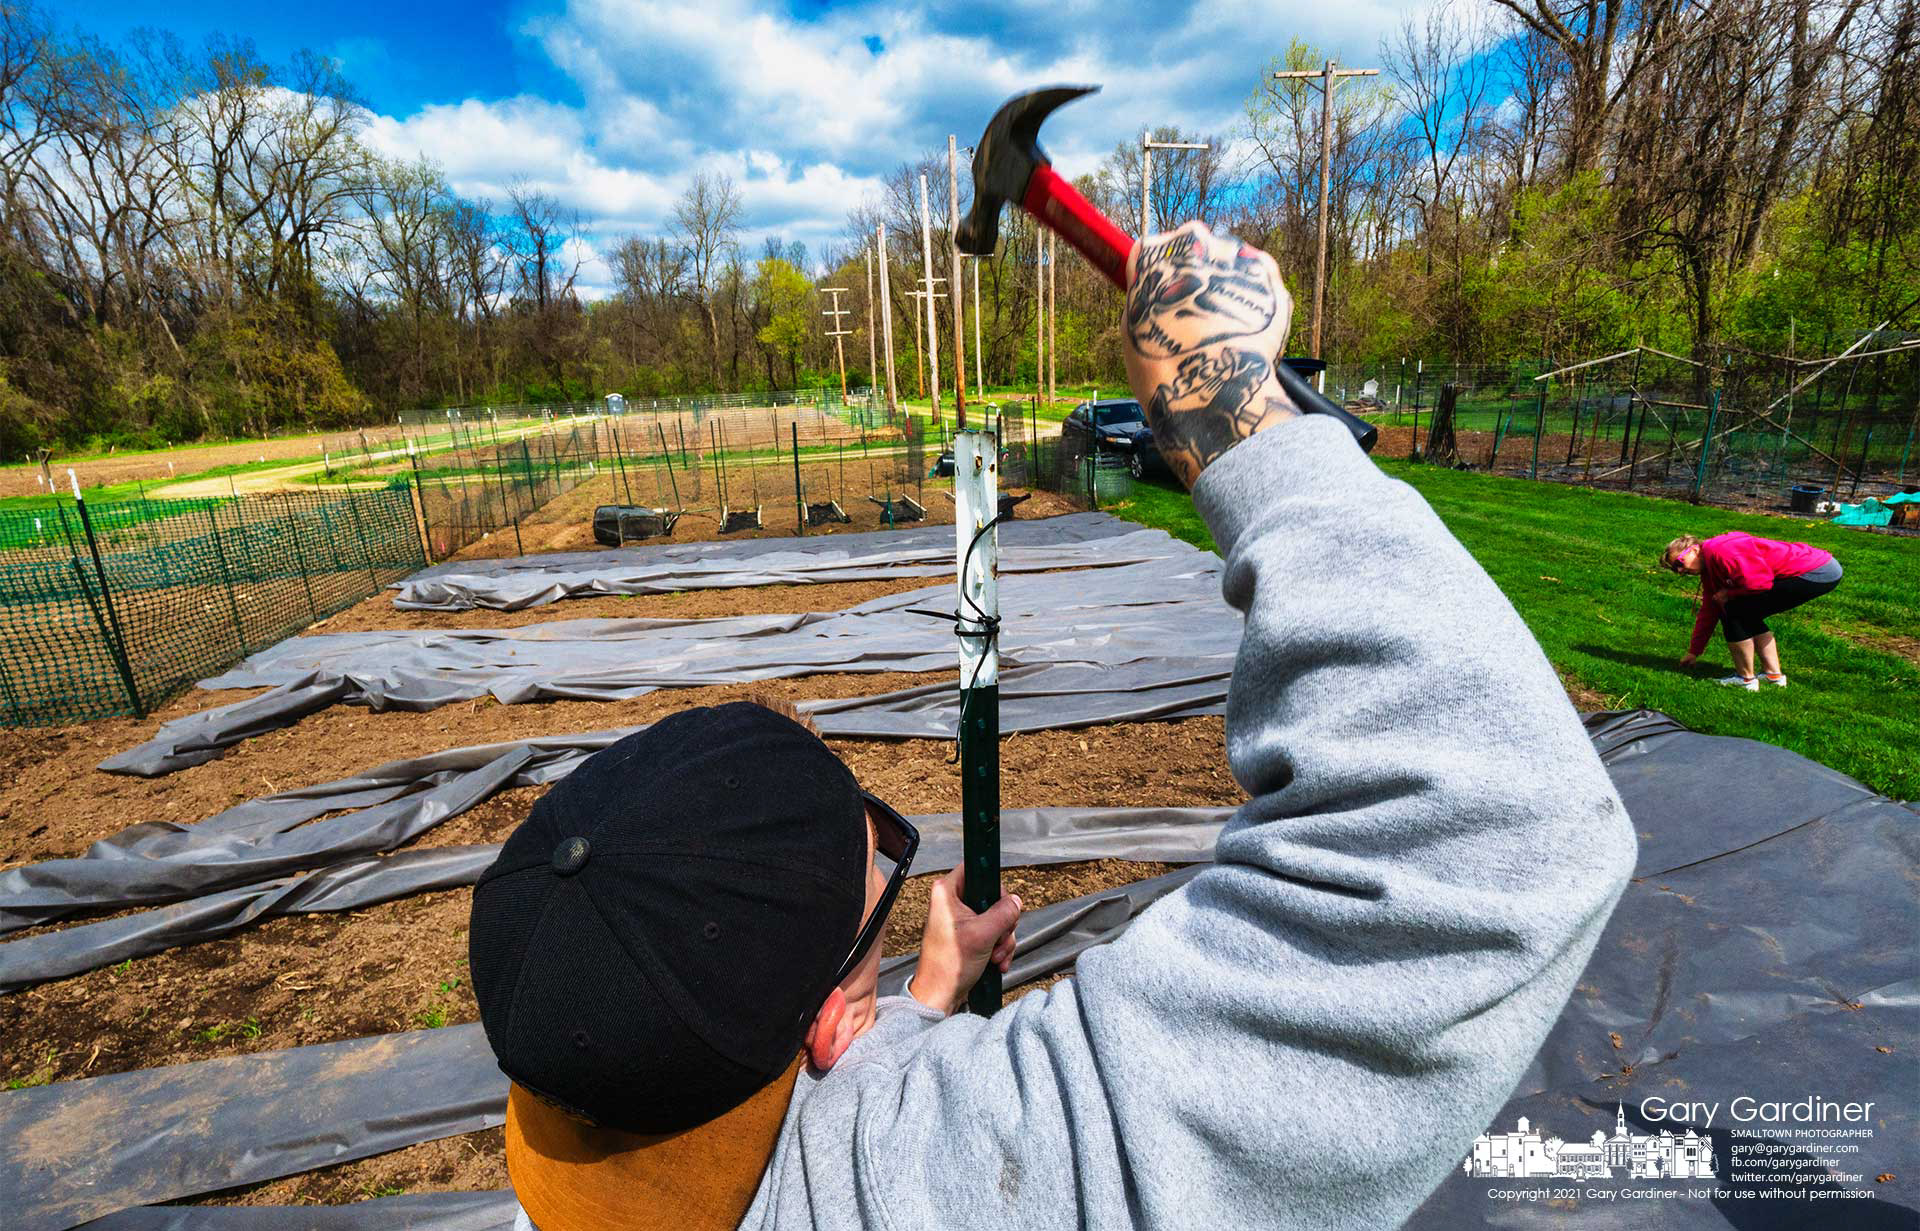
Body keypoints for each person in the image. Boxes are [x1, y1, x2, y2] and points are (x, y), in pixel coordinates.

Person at [471, 220, 1636, 1231]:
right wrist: (1229, 397)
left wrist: (919, 1009)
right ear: (829, 1025)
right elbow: (1500, 831)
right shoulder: (932, 1184)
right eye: (859, 923)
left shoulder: (560, 1186)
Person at [1664, 531, 1843, 690]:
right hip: (1820, 569)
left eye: (1680, 562)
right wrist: (1694, 651)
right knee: (1743, 611)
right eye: (1675, 569)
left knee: (1733, 610)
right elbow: (1709, 610)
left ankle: (1745, 679)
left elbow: (1759, 583)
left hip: (1817, 571)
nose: (1680, 570)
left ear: (1694, 550)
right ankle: (1773, 676)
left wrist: (1729, 592)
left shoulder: (1720, 551)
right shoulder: (1710, 570)